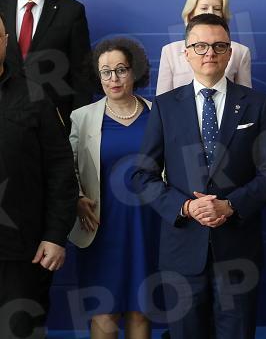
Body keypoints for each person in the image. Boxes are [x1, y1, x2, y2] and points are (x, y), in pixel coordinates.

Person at [131, 13, 266, 338]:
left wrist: (231, 205)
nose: (210, 52)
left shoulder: (258, 104)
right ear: (186, 52)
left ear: (230, 53)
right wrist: (185, 207)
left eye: (219, 46)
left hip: (238, 251)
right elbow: (142, 175)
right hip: (182, 252)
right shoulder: (165, 106)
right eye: (200, 46)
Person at [68, 37, 159, 338]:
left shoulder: (159, 113)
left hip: (148, 225)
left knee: (141, 310)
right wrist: (77, 197)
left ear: (135, 71)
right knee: (104, 314)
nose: (114, 78)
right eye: (105, 72)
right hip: (100, 226)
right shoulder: (82, 118)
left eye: (121, 69)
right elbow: (66, 168)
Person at [0, 11, 77, 338]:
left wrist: (56, 235)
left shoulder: (35, 95)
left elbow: (61, 169)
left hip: (23, 252)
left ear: (5, 41)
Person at [0, 0, 93, 129]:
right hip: (4, 121)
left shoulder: (72, 11)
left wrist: (78, 128)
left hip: (53, 125)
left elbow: (82, 76)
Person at [156, 0, 251, 94]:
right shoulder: (170, 52)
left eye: (217, 9)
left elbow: (246, 97)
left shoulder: (240, 52)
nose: (210, 12)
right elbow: (162, 99)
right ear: (190, 14)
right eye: (204, 8)